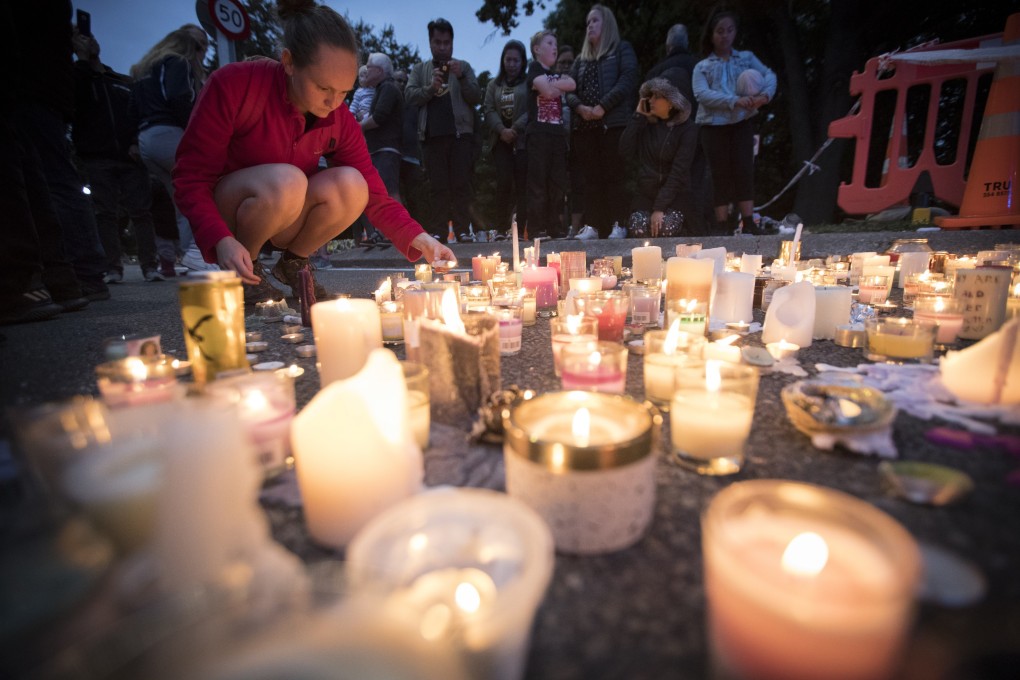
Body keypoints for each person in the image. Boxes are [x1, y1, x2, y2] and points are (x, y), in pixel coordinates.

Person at [172, 0, 454, 304]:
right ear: (289, 62)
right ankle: (244, 272)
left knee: (353, 184)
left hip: (285, 210)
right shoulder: (235, 85)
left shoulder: (339, 119)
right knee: (289, 181)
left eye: (344, 92)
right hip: (232, 209)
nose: (334, 102)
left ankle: (294, 264)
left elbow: (374, 194)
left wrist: (421, 239)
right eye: (323, 88)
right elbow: (191, 177)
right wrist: (220, 239)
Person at [9, 0, 110, 304]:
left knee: (49, 182)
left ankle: (79, 273)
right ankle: (72, 274)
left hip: (32, 93)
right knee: (51, 182)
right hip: (43, 95)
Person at [72, 28, 163, 283]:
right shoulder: (80, 79)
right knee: (105, 212)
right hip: (97, 156)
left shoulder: (121, 82)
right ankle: (112, 267)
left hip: (131, 157)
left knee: (142, 212)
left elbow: (139, 113)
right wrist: (81, 63)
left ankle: (150, 266)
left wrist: (136, 141)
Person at [131, 23, 214, 271]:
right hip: (171, 134)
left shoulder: (144, 69)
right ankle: (200, 254)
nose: (202, 52)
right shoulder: (178, 62)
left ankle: (193, 257)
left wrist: (133, 141)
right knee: (205, 190)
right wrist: (197, 132)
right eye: (200, 46)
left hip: (147, 138)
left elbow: (131, 108)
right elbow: (179, 98)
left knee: (182, 200)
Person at [692, 7, 776, 236]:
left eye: (730, 30)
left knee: (744, 169)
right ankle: (721, 224)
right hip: (713, 126)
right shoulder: (703, 67)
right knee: (720, 173)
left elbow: (770, 75)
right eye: (720, 31)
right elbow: (702, 94)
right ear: (711, 34)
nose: (725, 35)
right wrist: (734, 101)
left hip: (741, 123)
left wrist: (763, 96)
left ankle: (748, 221)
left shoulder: (746, 59)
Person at [565, 5, 638, 240]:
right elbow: (569, 88)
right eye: (588, 23)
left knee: (614, 176)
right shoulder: (581, 60)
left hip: (613, 124)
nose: (590, 26)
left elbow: (627, 79)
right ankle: (593, 226)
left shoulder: (621, 50)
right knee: (591, 179)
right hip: (585, 127)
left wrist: (603, 106)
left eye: (594, 21)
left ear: (607, 24)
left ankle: (619, 223)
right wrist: (580, 107)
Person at [405, 18, 482, 244]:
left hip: (460, 135)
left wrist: (462, 76)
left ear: (452, 43)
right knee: (437, 187)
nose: (442, 47)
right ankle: (438, 231)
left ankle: (462, 230)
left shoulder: (463, 67)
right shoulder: (420, 69)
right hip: (431, 136)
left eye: (446, 43)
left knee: (461, 184)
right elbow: (409, 96)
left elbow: (476, 96)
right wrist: (430, 88)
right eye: (437, 42)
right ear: (430, 43)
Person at [646, 23, 711, 235]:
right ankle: (696, 224)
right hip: (698, 131)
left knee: (669, 176)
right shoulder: (699, 67)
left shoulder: (656, 72)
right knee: (695, 179)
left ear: (668, 47)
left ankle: (672, 223)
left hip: (665, 138)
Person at [619, 78, 698, 238]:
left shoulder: (687, 129)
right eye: (650, 97)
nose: (651, 101)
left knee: (665, 227)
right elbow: (624, 151)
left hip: (676, 197)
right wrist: (638, 116)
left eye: (657, 97)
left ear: (671, 102)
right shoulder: (646, 125)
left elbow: (679, 171)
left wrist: (659, 208)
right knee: (638, 226)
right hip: (646, 195)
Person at [525, 31, 574, 240]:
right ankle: (538, 228)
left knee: (557, 184)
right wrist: (553, 87)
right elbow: (547, 92)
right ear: (537, 49)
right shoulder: (534, 68)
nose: (555, 47)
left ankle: (555, 226)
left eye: (556, 43)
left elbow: (571, 84)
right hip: (538, 134)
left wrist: (551, 86)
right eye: (550, 43)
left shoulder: (554, 73)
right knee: (538, 182)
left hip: (556, 135)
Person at [482, 39, 529, 239]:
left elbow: (531, 109)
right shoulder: (494, 84)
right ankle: (501, 228)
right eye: (508, 59)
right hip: (500, 141)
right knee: (503, 183)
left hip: (522, 140)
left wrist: (515, 128)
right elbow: (488, 109)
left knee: (523, 185)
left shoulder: (529, 83)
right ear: (502, 61)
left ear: (522, 62)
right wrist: (502, 130)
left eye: (515, 60)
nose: (511, 64)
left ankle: (522, 228)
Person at [359, 52, 404, 244]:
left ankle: (399, 232)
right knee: (383, 190)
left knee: (389, 190)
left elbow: (379, 117)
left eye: (369, 67)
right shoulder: (382, 88)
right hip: (381, 148)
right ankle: (387, 232)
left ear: (379, 70)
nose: (366, 70)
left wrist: (359, 125)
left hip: (387, 148)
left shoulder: (388, 88)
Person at [555, 44, 584, 238]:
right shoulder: (550, 83)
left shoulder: (579, 84)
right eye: (562, 62)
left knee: (577, 183)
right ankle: (559, 227)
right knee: (557, 184)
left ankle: (575, 228)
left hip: (577, 138)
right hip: (556, 141)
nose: (566, 66)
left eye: (569, 62)